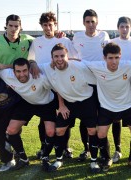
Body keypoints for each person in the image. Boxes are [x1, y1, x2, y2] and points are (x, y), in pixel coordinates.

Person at [39, 43, 100, 172]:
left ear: (68, 56)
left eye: (62, 56)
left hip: (86, 101)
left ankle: (94, 161)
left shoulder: (79, 67)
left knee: (92, 131)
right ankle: (59, 159)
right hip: (68, 104)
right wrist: (61, 105)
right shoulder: (47, 68)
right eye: (56, 56)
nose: (59, 59)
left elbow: (97, 81)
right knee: (59, 130)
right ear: (52, 58)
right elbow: (56, 87)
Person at [83, 43, 131, 172]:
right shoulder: (96, 66)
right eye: (110, 58)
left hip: (127, 105)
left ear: (120, 56)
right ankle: (106, 158)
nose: (114, 61)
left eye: (116, 57)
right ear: (104, 58)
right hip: (107, 107)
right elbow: (79, 62)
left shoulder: (129, 65)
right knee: (101, 133)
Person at [27, 11, 77, 160]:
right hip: (45, 86)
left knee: (64, 118)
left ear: (55, 25)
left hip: (62, 86)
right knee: (45, 119)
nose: (48, 28)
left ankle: (65, 147)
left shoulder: (65, 40)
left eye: (50, 25)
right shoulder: (37, 42)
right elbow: (29, 59)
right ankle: (44, 146)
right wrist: (33, 63)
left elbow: (73, 58)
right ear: (41, 26)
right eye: (45, 25)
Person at [0, 58, 57, 171]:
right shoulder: (7, 74)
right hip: (28, 103)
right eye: (18, 71)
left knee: (50, 131)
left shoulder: (40, 77)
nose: (22, 74)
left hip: (46, 103)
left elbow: (57, 89)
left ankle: (45, 157)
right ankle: (23, 159)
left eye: (25, 70)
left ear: (29, 69)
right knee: (11, 130)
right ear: (13, 71)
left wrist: (61, 106)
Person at [72, 9, 110, 162]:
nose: (90, 25)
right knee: (85, 118)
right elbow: (69, 52)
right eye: (87, 22)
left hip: (101, 83)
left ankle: (103, 150)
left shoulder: (104, 36)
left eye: (93, 21)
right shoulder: (77, 36)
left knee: (102, 118)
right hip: (84, 83)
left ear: (97, 22)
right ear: (83, 23)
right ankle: (86, 149)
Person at [109, 16, 131, 163]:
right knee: (115, 119)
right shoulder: (112, 43)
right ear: (118, 28)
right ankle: (118, 150)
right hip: (117, 87)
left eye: (127, 27)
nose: (124, 29)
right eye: (122, 26)